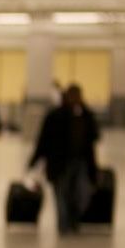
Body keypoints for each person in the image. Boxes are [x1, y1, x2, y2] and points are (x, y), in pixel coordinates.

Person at [28, 83, 100, 235]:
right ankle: (64, 225)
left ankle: (73, 219)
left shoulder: (86, 115)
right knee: (61, 195)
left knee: (81, 194)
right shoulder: (55, 116)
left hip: (81, 162)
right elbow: (43, 140)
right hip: (59, 163)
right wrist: (34, 160)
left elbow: (94, 137)